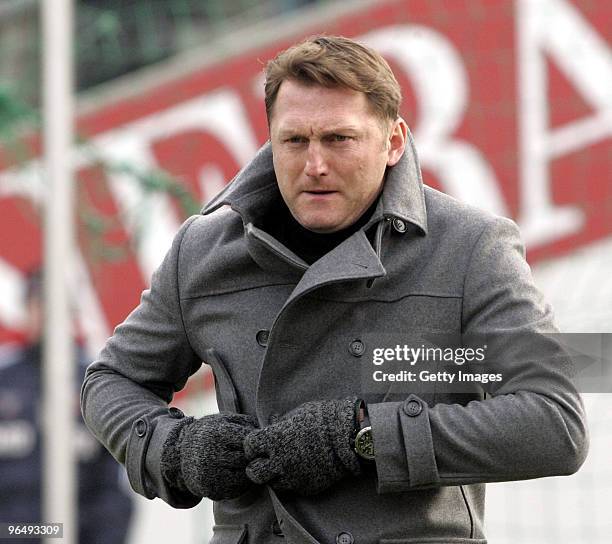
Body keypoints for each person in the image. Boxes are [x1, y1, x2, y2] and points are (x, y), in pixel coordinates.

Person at [81, 36, 588, 543]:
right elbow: (110, 380)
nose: (315, 165)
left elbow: (553, 422)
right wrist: (175, 449)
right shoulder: (203, 249)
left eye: (339, 139)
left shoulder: (471, 247)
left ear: (394, 142)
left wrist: (364, 437)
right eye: (294, 140)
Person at [0, 269, 133, 544]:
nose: (47, 314)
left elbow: (110, 488)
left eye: (56, 305)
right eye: (39, 304)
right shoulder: (4, 380)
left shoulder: (95, 385)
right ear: (27, 310)